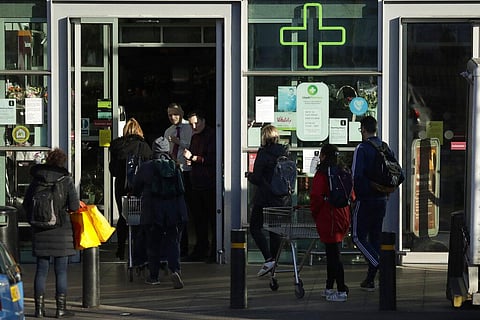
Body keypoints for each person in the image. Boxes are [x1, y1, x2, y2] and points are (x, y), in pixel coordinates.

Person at [23, 148, 80, 318]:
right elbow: (75, 207)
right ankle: (60, 309)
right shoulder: (66, 180)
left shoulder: (36, 180)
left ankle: (39, 310)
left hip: (40, 231)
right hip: (61, 232)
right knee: (61, 272)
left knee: (41, 270)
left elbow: (26, 204)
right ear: (62, 162)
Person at [133, 136, 187, 288]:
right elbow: (182, 189)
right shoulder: (175, 166)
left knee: (153, 243)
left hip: (152, 211)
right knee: (173, 242)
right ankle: (175, 270)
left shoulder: (146, 167)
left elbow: (136, 188)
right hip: (174, 211)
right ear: (167, 150)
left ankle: (153, 276)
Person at [351, 115, 393, 291]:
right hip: (381, 199)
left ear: (363, 129)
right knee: (374, 238)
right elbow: (398, 172)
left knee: (357, 236)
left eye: (361, 129)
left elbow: (356, 176)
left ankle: (378, 264)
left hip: (365, 199)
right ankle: (370, 280)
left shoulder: (362, 148)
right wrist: (385, 189)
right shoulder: (384, 147)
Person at [247, 124, 291, 277]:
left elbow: (258, 177)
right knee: (275, 231)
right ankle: (274, 263)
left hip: (264, 198)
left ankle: (269, 258)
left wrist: (249, 176)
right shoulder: (285, 153)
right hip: (280, 198)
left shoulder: (264, 153)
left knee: (254, 227)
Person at [310, 144, 351, 302]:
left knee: (334, 255)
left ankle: (341, 290)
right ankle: (329, 287)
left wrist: (315, 214)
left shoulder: (322, 174)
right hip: (342, 215)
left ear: (324, 156)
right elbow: (351, 195)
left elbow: (316, 197)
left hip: (329, 217)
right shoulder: (343, 171)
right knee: (332, 252)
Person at [109, 118, 152, 261]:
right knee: (139, 216)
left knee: (123, 215)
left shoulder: (117, 146)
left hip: (121, 186)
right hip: (139, 187)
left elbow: (113, 170)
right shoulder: (144, 147)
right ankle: (138, 248)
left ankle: (121, 249)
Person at [183, 110, 216, 262]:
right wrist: (191, 160)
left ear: (204, 121)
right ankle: (200, 249)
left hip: (209, 183)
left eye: (196, 123)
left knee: (211, 219)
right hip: (196, 182)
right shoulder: (195, 137)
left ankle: (214, 250)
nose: (194, 126)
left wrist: (193, 158)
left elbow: (211, 158)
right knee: (198, 219)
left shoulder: (212, 135)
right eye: (191, 124)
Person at [164, 103, 193, 257]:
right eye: (169, 115)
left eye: (175, 114)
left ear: (181, 113)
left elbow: (192, 146)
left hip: (187, 171)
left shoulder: (189, 128)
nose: (172, 117)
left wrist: (178, 142)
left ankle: (186, 246)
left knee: (186, 209)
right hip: (172, 171)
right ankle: (178, 246)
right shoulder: (168, 131)